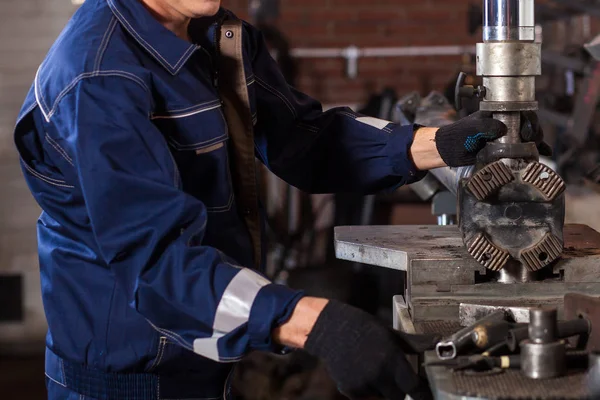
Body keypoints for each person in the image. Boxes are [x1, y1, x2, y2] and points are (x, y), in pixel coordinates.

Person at [13, 0, 545, 399]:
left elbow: (305, 140)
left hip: (205, 355)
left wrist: (439, 143)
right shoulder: (98, 77)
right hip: (128, 376)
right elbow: (157, 267)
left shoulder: (217, 36)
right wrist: (318, 325)